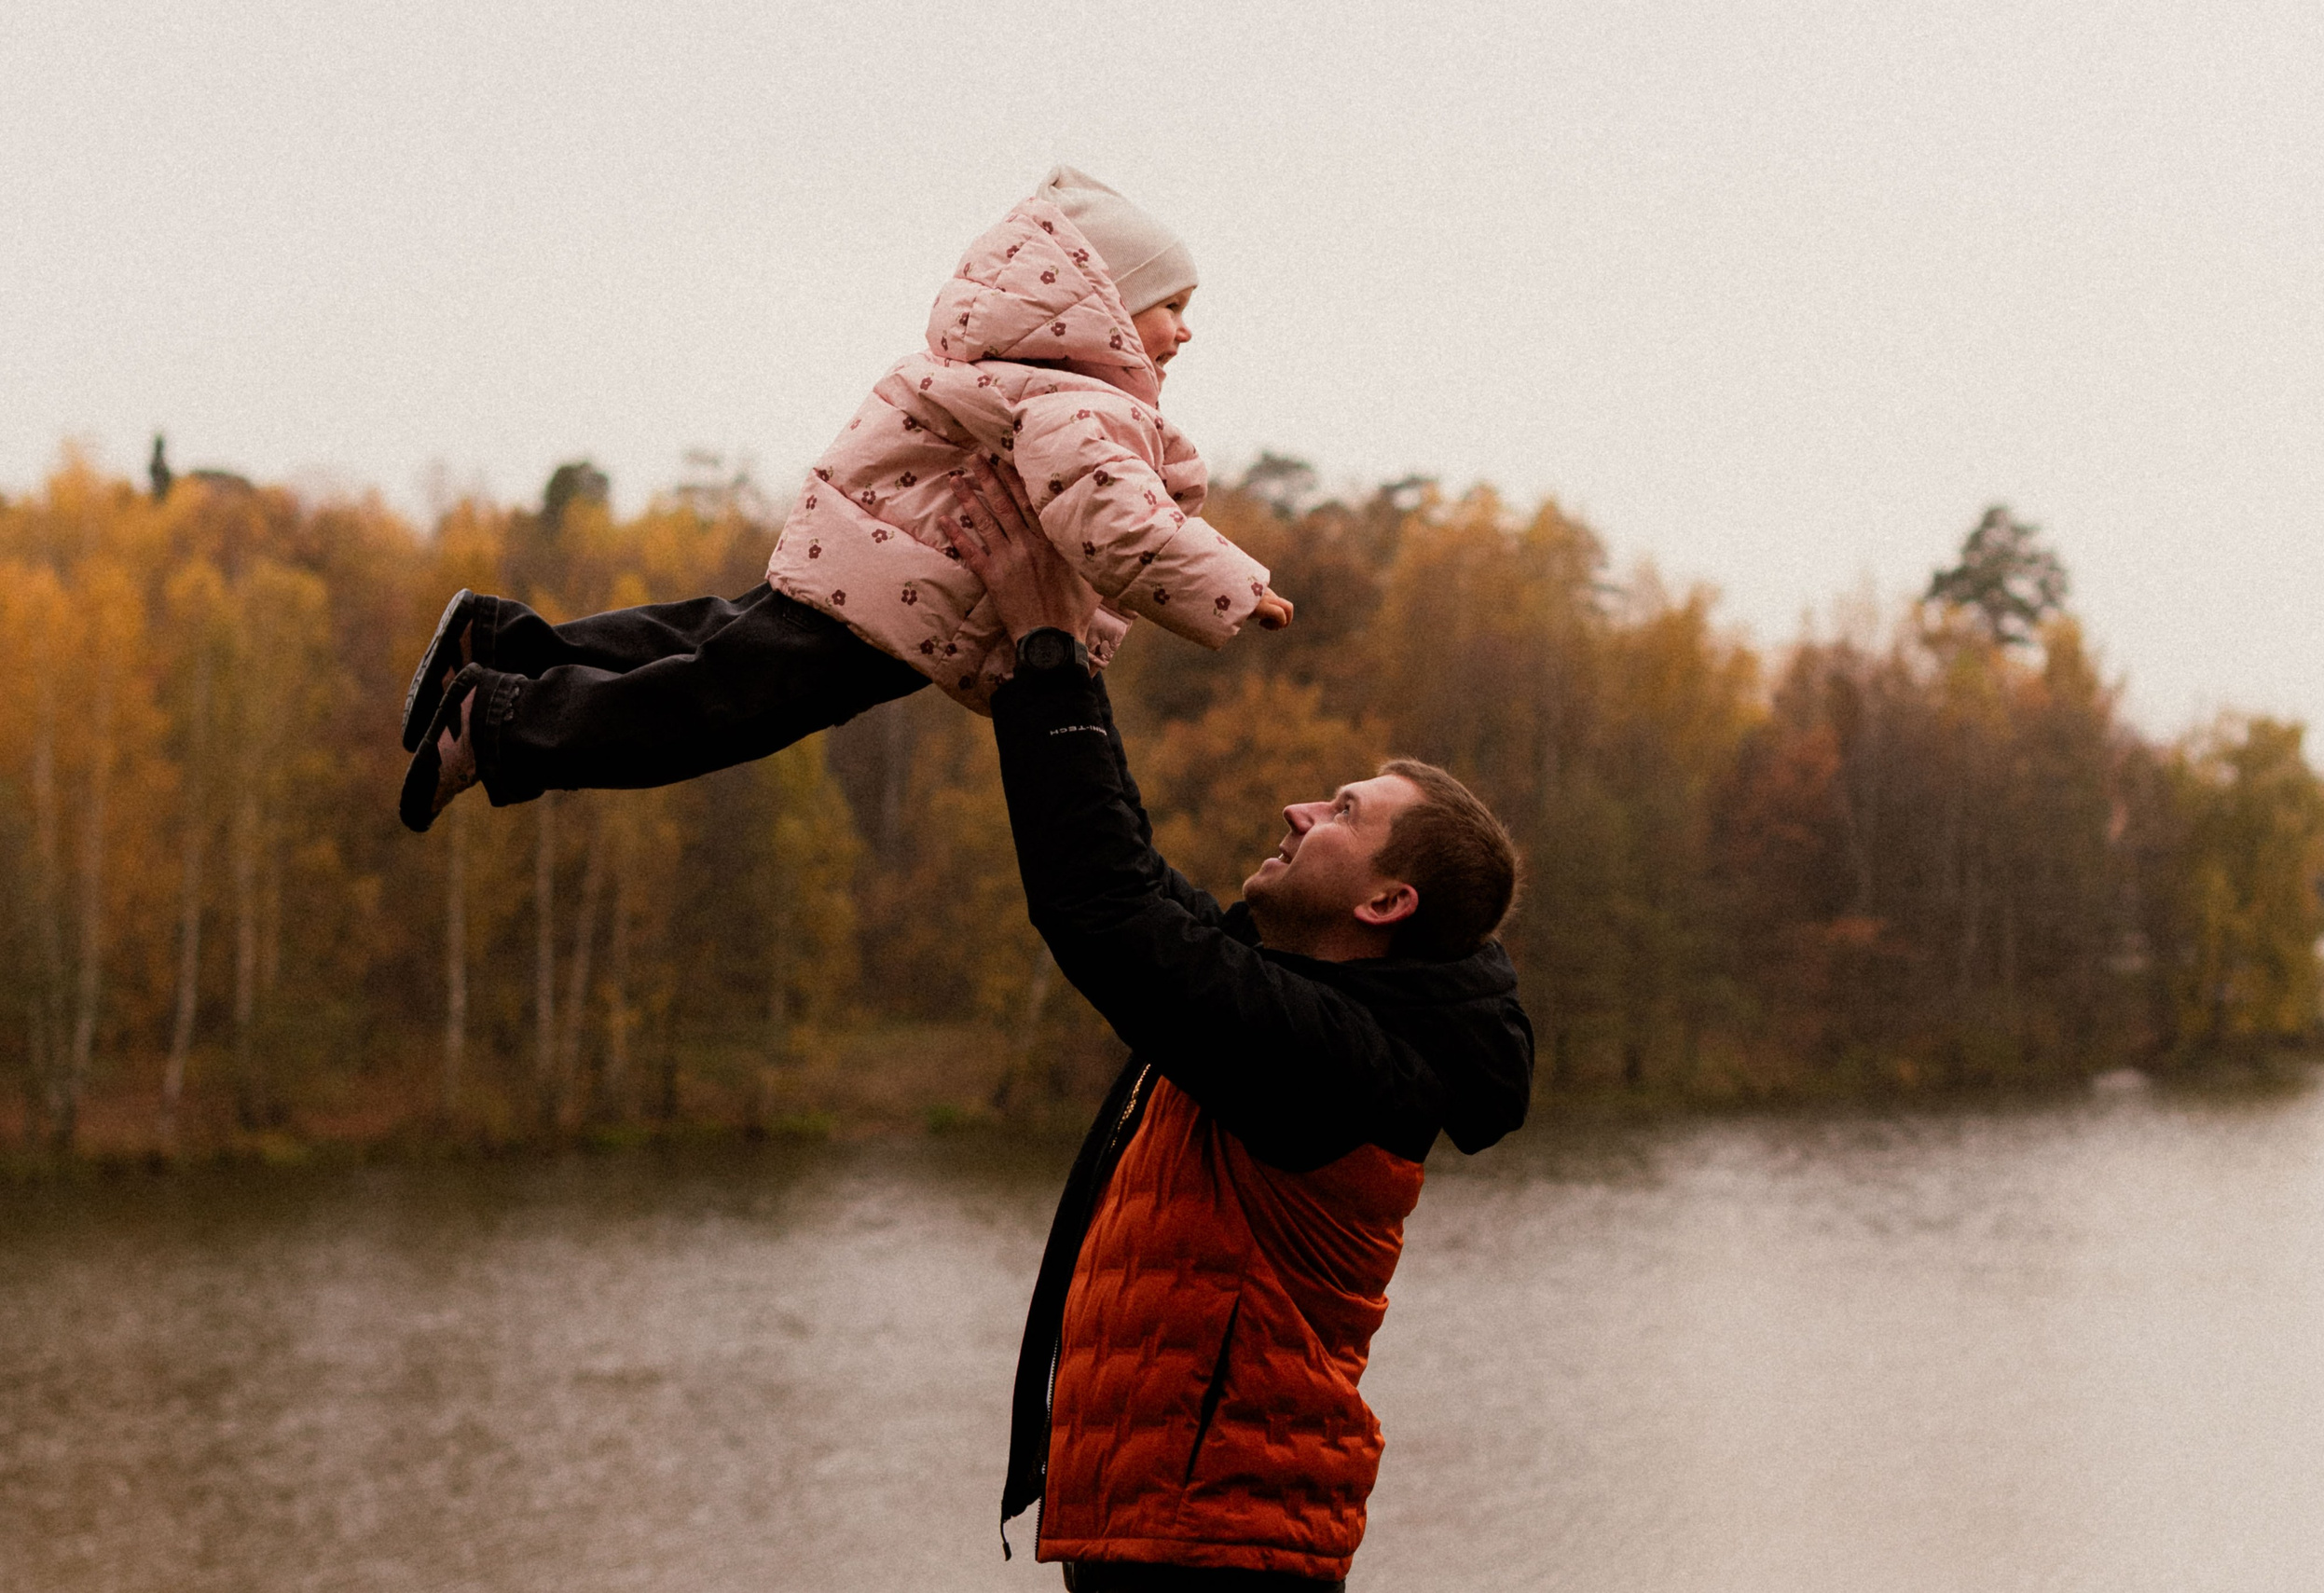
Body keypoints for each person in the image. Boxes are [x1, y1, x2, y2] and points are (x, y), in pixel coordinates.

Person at [946, 468, 1534, 1590]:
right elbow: (1138, 892)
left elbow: (1106, 911)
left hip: (1219, 1548)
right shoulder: (1304, 1017)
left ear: (1385, 903)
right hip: (1181, 1529)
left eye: (1344, 813)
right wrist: (1057, 649)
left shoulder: (1339, 1065)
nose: (1299, 809)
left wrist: (1049, 663)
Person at [398, 167, 1291, 832]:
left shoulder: (1009, 375)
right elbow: (1112, 520)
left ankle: (501, 638)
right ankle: (504, 723)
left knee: (702, 641)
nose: (1184, 329)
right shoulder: (1082, 403)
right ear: (1098, 305)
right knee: (711, 708)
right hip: (901, 609)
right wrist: (1233, 586)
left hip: (861, 565)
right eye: (1168, 304)